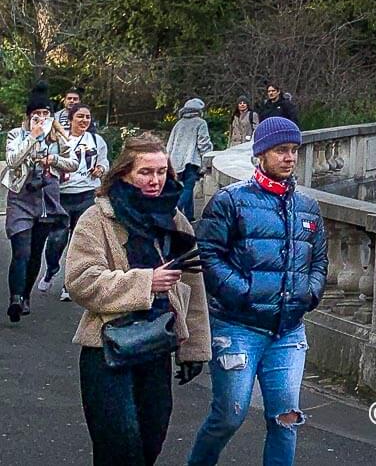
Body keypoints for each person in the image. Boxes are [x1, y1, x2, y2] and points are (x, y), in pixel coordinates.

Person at [188, 116, 327, 466]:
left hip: (288, 331)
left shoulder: (308, 208)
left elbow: (320, 260)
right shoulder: (230, 201)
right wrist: (244, 291)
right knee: (228, 417)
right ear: (261, 153)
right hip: (237, 328)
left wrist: (308, 294)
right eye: (281, 150)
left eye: (294, 150)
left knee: (285, 420)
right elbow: (207, 255)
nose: (290, 157)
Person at [65, 132, 210, 466]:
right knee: (119, 448)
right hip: (107, 349)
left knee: (150, 442)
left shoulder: (175, 219)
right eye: (146, 172)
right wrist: (146, 282)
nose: (155, 180)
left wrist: (194, 349)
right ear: (125, 173)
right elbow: (80, 281)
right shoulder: (97, 219)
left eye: (161, 172)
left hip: (156, 345)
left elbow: (194, 285)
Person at [3, 90, 78, 321]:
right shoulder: (17, 134)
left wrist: (52, 159)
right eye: (37, 114)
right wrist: (32, 137)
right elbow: (13, 160)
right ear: (28, 116)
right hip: (21, 196)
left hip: (47, 198)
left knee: (36, 253)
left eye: (46, 113)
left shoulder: (58, 137)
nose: (42, 118)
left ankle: (25, 296)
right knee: (21, 252)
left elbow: (73, 163)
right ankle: (15, 298)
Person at [42, 103, 109, 301]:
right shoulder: (60, 140)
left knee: (78, 243)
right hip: (62, 196)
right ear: (70, 120)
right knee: (56, 239)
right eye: (80, 117)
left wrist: (101, 169)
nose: (84, 121)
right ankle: (51, 268)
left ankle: (68, 285)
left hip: (87, 195)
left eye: (87, 117)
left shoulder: (96, 140)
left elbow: (104, 162)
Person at [166, 98, 213, 221]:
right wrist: (207, 157)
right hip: (191, 160)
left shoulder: (179, 123)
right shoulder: (200, 123)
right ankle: (173, 212)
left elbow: (170, 143)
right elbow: (203, 143)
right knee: (188, 188)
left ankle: (189, 216)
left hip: (175, 161)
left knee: (187, 188)